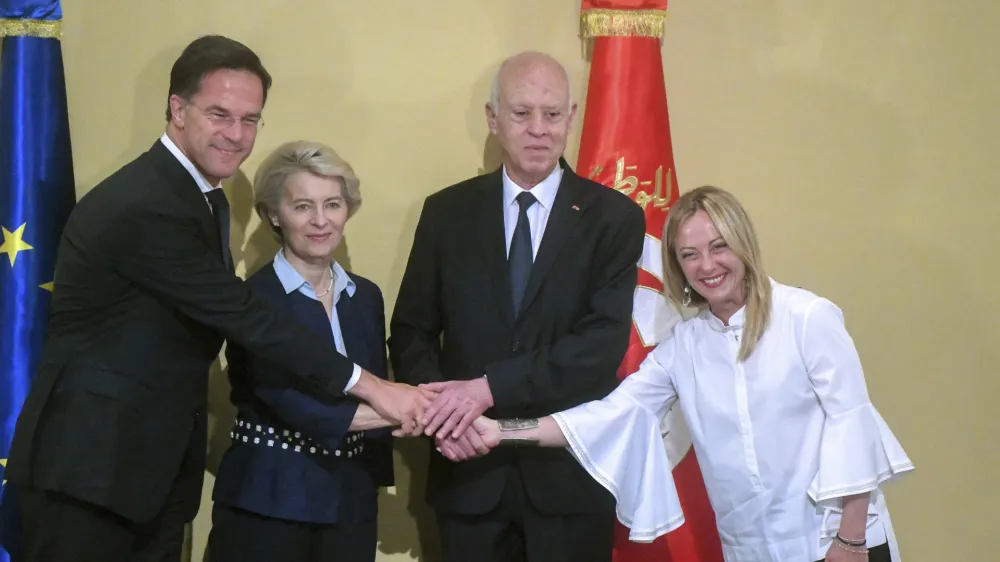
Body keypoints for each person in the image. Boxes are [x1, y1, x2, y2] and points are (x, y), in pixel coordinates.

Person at [2, 36, 428, 562]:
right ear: (177, 109)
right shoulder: (147, 202)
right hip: (89, 476)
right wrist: (375, 386)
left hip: (142, 478)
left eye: (251, 120)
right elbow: (245, 315)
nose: (236, 134)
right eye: (220, 114)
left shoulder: (201, 196)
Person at [463, 185, 915, 562]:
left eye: (719, 247)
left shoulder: (808, 317)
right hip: (751, 550)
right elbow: (606, 416)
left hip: (835, 542)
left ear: (744, 244)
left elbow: (852, 424)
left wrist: (851, 539)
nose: (707, 266)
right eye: (690, 254)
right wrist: (500, 431)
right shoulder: (684, 346)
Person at [388, 51, 646, 562]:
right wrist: (447, 420)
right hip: (466, 476)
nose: (538, 129)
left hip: (570, 481)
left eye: (552, 114)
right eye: (521, 113)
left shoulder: (614, 218)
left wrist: (486, 390)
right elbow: (411, 331)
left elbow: (598, 349)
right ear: (493, 118)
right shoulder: (446, 212)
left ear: (571, 118)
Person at [206, 140, 397, 562]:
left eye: (332, 204)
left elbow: (377, 386)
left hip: (351, 505)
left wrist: (413, 412)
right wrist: (410, 410)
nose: (320, 221)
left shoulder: (366, 297)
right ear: (274, 213)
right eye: (302, 206)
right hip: (269, 502)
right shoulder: (250, 301)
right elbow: (292, 403)